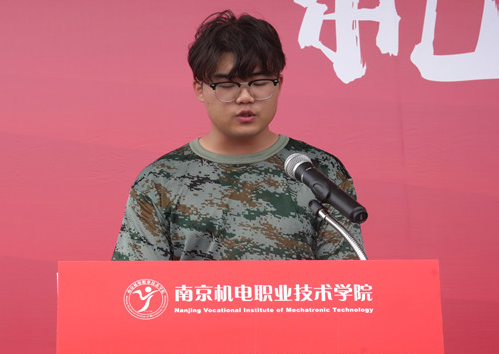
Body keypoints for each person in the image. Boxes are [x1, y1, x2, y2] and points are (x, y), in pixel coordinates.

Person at [112, 10, 365, 261]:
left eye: (259, 82)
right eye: (227, 85)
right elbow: (138, 283)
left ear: (279, 84)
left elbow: (347, 281)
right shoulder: (159, 180)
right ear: (200, 88)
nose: (245, 97)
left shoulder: (319, 173)